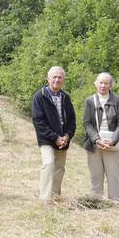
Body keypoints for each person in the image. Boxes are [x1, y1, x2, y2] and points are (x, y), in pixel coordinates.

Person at [32, 66, 76, 201]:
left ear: (63, 80)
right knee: (49, 163)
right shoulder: (40, 96)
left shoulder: (65, 97)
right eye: (54, 77)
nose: (57, 80)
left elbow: (72, 120)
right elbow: (38, 121)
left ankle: (55, 197)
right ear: (48, 78)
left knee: (60, 168)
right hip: (46, 139)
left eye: (60, 77)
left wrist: (67, 136)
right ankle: (44, 198)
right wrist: (55, 137)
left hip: (63, 139)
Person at [81, 72, 119, 202]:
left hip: (112, 144)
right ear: (95, 83)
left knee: (114, 177)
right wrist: (97, 140)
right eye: (100, 82)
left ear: (111, 85)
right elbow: (87, 123)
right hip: (94, 144)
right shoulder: (89, 101)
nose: (103, 85)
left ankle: (115, 204)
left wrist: (113, 141)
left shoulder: (117, 101)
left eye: (106, 83)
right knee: (96, 177)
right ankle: (96, 203)